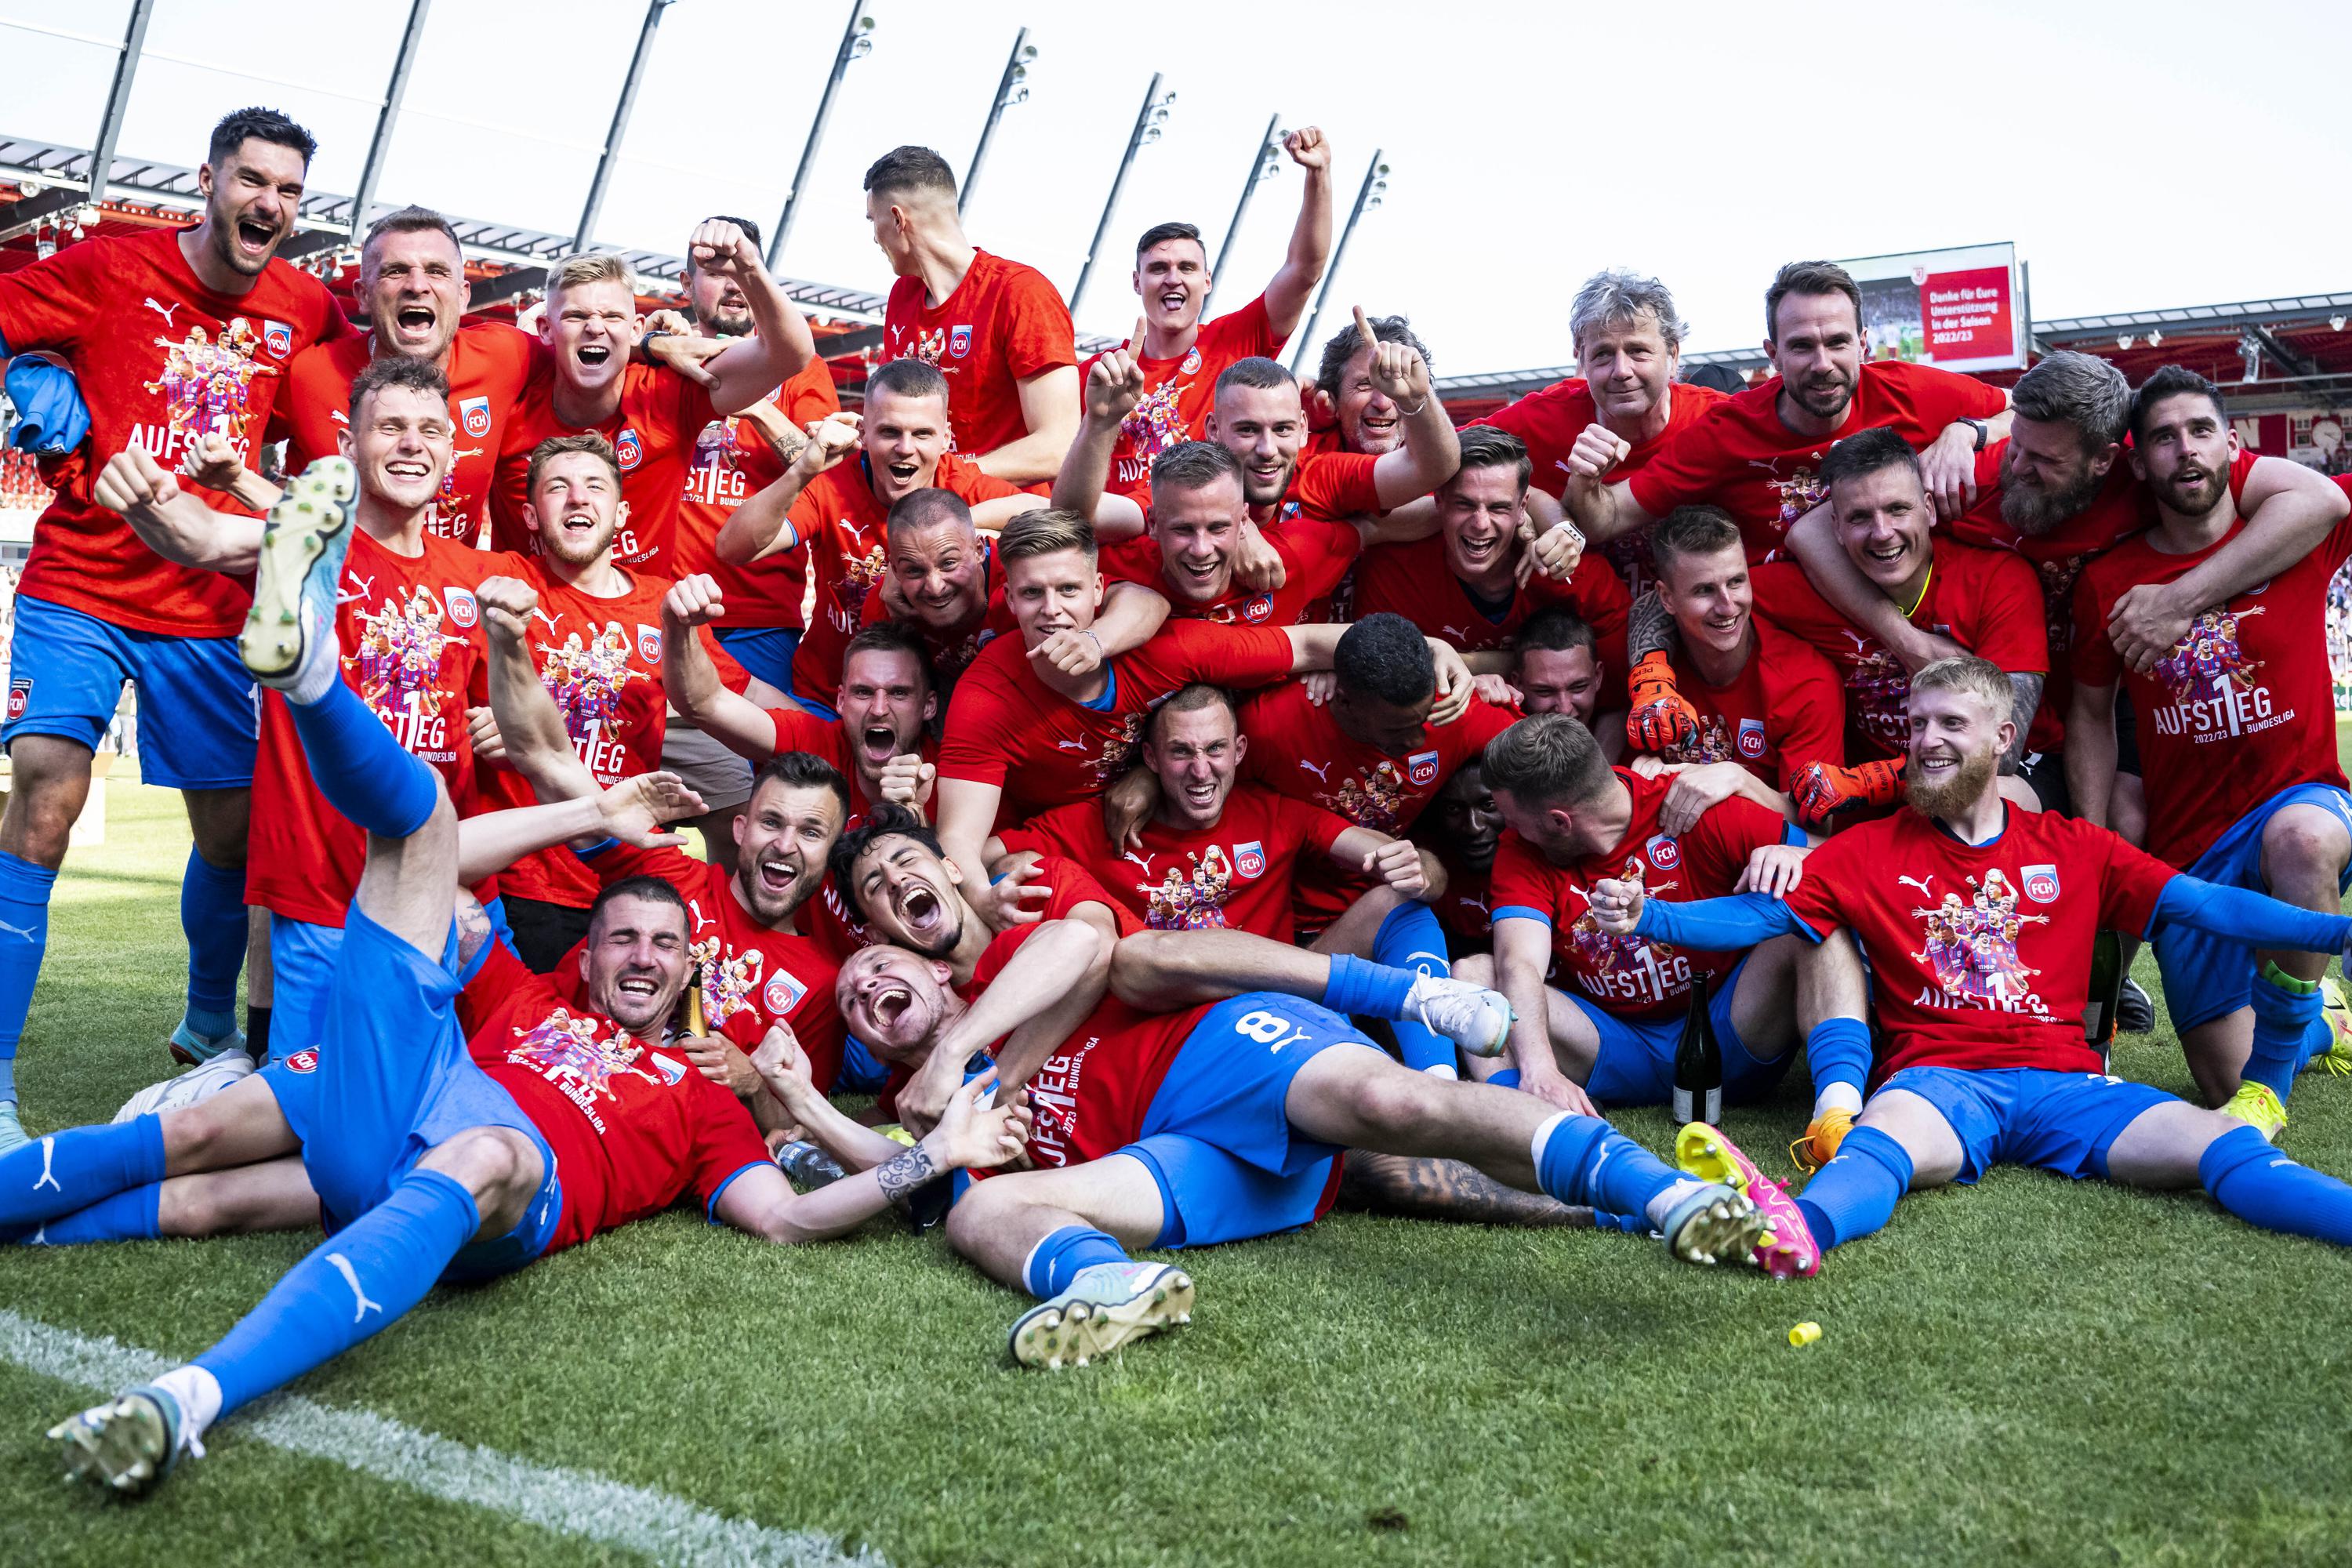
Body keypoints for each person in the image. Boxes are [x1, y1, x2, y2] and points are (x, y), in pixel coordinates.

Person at [27, 454, 1029, 1496]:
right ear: (589, 953)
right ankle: (307, 670)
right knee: (207, 1160)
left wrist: (865, 1126)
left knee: (489, 1148)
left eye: (809, 834)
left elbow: (791, 1203)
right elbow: (470, 839)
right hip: (411, 1108)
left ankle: (185, 1397)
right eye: (625, 942)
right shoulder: (558, 970)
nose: (645, 955)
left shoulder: (742, 1063)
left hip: (499, 1179)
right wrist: (582, 810)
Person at [1591, 655, 2352, 1265]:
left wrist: (2334, 936)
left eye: (1952, 722)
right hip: (1939, 1083)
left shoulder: (2074, 847)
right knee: (1876, 1142)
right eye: (1918, 724)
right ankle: (1795, 1230)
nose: (1927, 739)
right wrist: (1651, 914)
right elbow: (1759, 915)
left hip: (2068, 1085)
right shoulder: (1863, 850)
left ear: (2002, 736)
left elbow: (2208, 907)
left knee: (2228, 1146)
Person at [835, 927, 1790, 1367]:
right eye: (852, 997)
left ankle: (1669, 1194)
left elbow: (1084, 944)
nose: (869, 984)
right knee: (982, 1211)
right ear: (867, 1043)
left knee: (1392, 1099)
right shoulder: (907, 1103)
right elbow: (884, 1189)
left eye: (881, 961)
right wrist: (819, 1105)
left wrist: (969, 1053)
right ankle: (1110, 1284)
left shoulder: (1001, 971)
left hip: (1214, 1056)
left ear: (931, 967)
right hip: (1182, 1157)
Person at [0, 107, 355, 1141]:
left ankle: (207, 1026)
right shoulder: (111, 266)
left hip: (207, 607)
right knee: (46, 803)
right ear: (209, 179)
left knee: (230, 836)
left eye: (288, 191)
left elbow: (335, 444)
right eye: (252, 181)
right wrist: (32, 379)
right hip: (81, 584)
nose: (269, 205)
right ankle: (0, 1085)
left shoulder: (305, 311)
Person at [96, 356, 517, 1065]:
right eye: (389, 428)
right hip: (324, 897)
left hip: (451, 891)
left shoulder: (478, 577)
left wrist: (504, 719)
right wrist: (148, 502)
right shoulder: (305, 545)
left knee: (483, 1096)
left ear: (451, 448)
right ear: (348, 448)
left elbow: (504, 713)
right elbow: (201, 537)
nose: (412, 443)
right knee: (312, 1126)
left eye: (429, 430)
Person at [1783, 349, 2348, 816]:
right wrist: (1912, 645)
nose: (2018, 466)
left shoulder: (2150, 469)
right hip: (2016, 687)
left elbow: (2322, 500)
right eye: (2017, 443)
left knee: (2125, 827)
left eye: (2042, 459)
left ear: (2104, 460)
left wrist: (2182, 598)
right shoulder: (1972, 479)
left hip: (2110, 677)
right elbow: (1811, 529)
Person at [934, 514, 1475, 924]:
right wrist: (984, 899)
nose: (1052, 609)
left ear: (1098, 592)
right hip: (1059, 842)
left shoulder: (1166, 651)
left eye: (1068, 590)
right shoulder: (989, 692)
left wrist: (1424, 647)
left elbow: (1306, 644)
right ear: (1011, 599)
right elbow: (958, 837)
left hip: (1163, 827)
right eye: (1032, 594)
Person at [2071, 367, 2352, 1134]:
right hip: (2189, 846)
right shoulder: (2108, 582)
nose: (2184, 450)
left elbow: (2331, 495)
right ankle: (2325, 1017)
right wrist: (2096, 834)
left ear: (2234, 442)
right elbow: (2092, 713)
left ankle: (2280, 1059)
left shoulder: (2295, 533)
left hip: (2299, 796)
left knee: (2301, 840)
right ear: (2137, 463)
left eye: (2200, 430)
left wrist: (2183, 596)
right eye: (2162, 437)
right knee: (2222, 1076)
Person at [481, 571, 851, 1101]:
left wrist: (750, 1079)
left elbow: (803, 1120)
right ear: (740, 829)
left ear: (830, 851)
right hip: (551, 1068)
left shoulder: (821, 983)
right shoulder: (670, 871)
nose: (785, 844)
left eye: (810, 831)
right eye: (771, 822)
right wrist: (510, 642)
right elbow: (548, 758)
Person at [1642, 428, 2047, 824]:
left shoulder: (1997, 580)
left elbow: (2002, 752)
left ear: (1928, 507)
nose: (1882, 532)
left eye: (1897, 509)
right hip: (1875, 814)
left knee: (1997, 791)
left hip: (1999, 779)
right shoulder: (1808, 586)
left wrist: (1870, 783)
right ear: (1834, 527)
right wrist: (1651, 681)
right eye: (1859, 517)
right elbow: (1668, 604)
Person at [1461, 712, 1808, 1119]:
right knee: (1475, 976)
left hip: (1727, 1030)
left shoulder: (1692, 805)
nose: (1509, 831)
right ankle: (1518, 1113)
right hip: (1610, 1043)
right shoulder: (1523, 850)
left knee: (1811, 922)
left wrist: (1794, 852)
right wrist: (1539, 1070)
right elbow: (1518, 962)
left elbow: (1842, 863)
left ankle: (1839, 1104)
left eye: (1516, 821)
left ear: (1559, 822)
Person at [1561, 260, 2013, 564]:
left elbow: (2028, 409)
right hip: (1792, 633)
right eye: (1801, 346)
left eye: (1837, 342)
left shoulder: (1913, 390)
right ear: (1773, 354)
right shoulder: (1726, 431)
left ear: (1864, 345)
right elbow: (1609, 518)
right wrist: (1584, 479)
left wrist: (1967, 431)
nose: (1822, 363)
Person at [665, 212, 848, 869]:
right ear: (687, 284)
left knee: (759, 803)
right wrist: (664, 347)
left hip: (757, 625)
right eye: (713, 272)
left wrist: (747, 398)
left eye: (743, 270)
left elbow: (817, 460)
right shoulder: (668, 351)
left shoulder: (802, 372)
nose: (731, 285)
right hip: (669, 617)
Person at [990, 682, 1437, 947]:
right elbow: (986, 855)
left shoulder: (1275, 812)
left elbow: (1393, 857)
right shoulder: (1094, 821)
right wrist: (994, 888)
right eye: (1181, 752)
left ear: (1239, 751)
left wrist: (1414, 869)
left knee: (1402, 896)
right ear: (1150, 757)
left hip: (1281, 996)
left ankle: (1438, 1074)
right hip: (1165, 1011)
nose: (1201, 771)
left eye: (1216, 749)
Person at [713, 360, 1032, 713]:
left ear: (946, 437)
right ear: (863, 434)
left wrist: (952, 525)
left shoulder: (962, 486)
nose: (905, 448)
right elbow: (733, 548)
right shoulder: (831, 483)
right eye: (890, 432)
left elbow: (1059, 519)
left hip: (923, 704)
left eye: (922, 434)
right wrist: (803, 468)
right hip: (827, 695)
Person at [488, 233, 815, 578]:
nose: (595, 328)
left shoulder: (668, 394)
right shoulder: (508, 401)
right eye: (575, 316)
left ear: (636, 330)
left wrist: (750, 270)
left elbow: (790, 354)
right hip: (526, 619)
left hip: (637, 624)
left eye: (612, 316)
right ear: (545, 329)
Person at [473, 435, 672, 971]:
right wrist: (478, 721)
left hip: (626, 878)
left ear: (622, 512)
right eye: (558, 488)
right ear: (532, 515)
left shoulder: (661, 605)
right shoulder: (498, 581)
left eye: (595, 487)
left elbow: (735, 699)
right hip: (526, 880)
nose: (578, 499)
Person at [1091, 127, 1332, 499]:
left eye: (1187, 268)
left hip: (1213, 537)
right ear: (1137, 282)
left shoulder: (1236, 340)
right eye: (1158, 269)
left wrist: (1318, 175)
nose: (1173, 279)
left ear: (1207, 281)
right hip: (1128, 541)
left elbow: (1304, 270)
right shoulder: (1100, 377)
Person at [274, 206, 537, 546]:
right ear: (363, 295)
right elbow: (238, 439)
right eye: (396, 271)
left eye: (437, 271)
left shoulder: (508, 356)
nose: (417, 286)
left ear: (463, 296)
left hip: (447, 593)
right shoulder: (309, 373)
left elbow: (593, 374)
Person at [1471, 269, 1729, 595]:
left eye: (1638, 351)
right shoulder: (1540, 417)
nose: (1621, 371)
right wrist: (1530, 501)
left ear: (1673, 355)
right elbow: (1449, 456)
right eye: (1603, 354)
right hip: (1576, 627)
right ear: (1581, 357)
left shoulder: (1718, 420)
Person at [866, 146, 1077, 485]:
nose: (873, 236)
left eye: (871, 220)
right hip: (921, 510)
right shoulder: (903, 296)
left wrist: (947, 477)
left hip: (1003, 520)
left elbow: (1058, 446)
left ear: (896, 219)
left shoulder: (1021, 292)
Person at [1350, 425, 1630, 678]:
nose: (1481, 524)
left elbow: (1616, 685)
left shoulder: (1566, 565)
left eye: (1499, 508)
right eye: (1465, 505)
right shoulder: (1394, 568)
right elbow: (1377, 674)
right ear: (1438, 502)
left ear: (1523, 508)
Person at [1639, 505, 1846, 826]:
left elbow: (1818, 826)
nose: (1727, 606)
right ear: (1666, 599)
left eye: (1736, 582)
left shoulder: (1804, 681)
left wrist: (1737, 779)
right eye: (1704, 590)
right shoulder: (1646, 664)